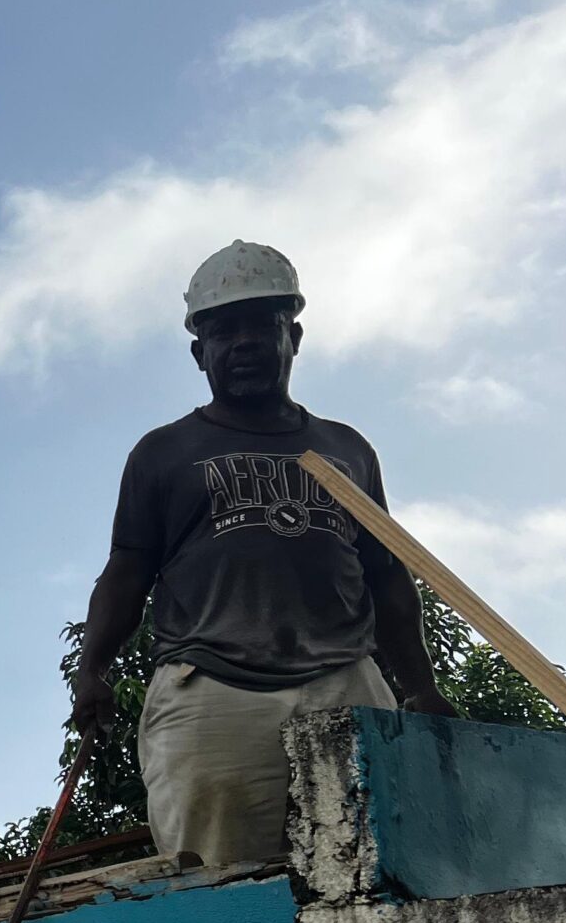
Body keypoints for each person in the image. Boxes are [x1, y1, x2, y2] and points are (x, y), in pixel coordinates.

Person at [69, 241, 452, 867]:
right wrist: (93, 669)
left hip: (346, 679)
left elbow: (386, 575)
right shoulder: (164, 452)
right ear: (200, 353)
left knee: (389, 867)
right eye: (223, 332)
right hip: (213, 689)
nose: (243, 343)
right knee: (216, 879)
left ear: (293, 337)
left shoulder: (348, 449)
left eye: (261, 325)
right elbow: (127, 569)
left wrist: (419, 688)